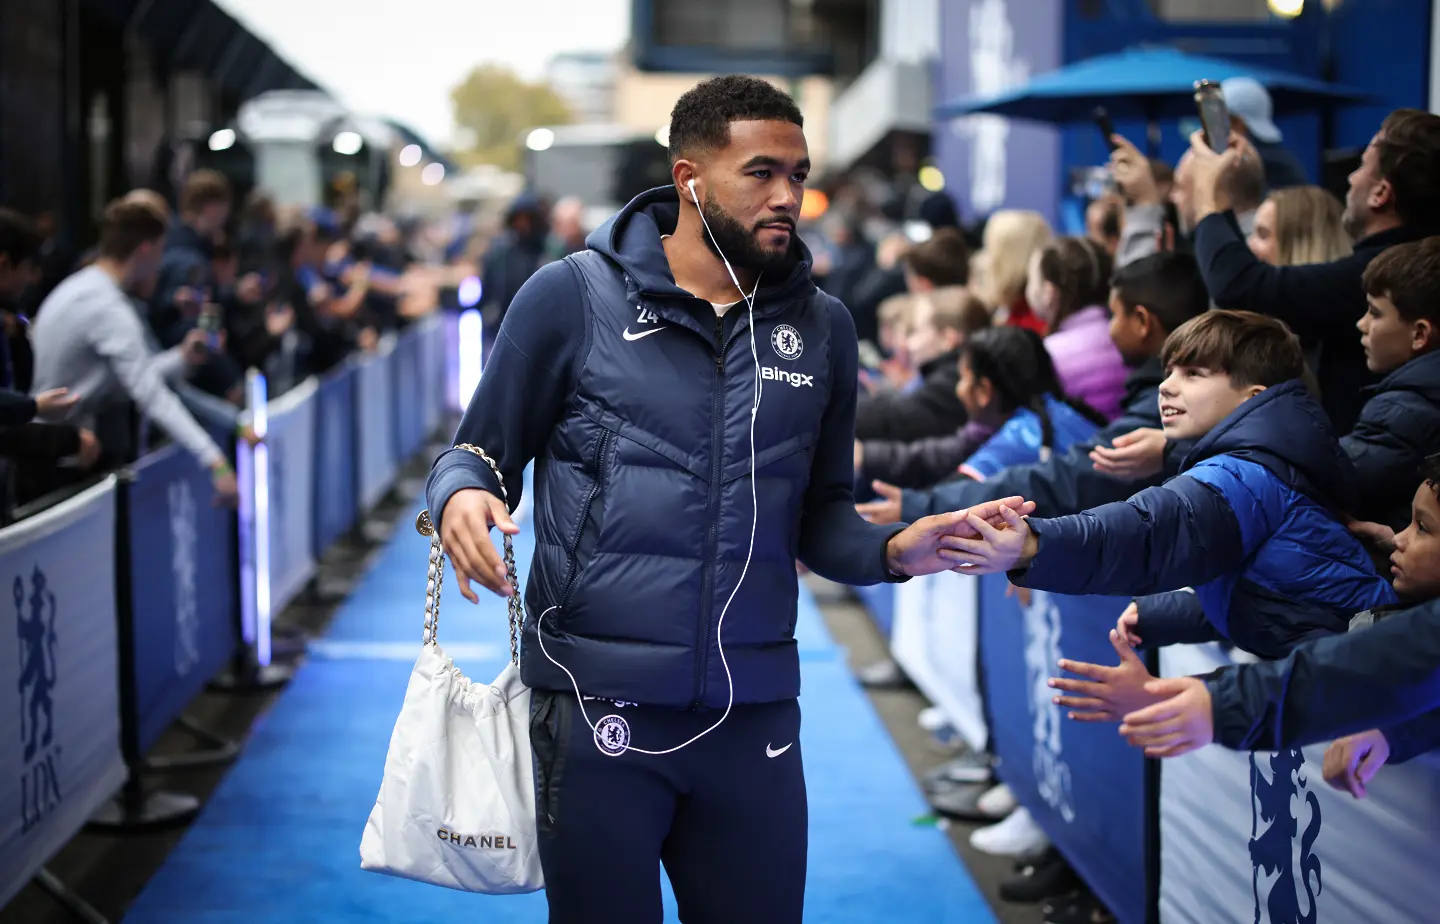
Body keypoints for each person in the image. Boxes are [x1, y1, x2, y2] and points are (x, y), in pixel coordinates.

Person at [425, 75, 1022, 924]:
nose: (789, 196)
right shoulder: (571, 296)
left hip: (754, 717)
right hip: (596, 711)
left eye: (799, 173)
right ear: (690, 179)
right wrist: (461, 496)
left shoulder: (824, 327)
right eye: (762, 173)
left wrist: (896, 552)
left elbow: (821, 514)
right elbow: (477, 449)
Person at [939, 310, 1395, 661]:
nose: (1167, 388)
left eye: (1193, 374)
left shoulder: (1245, 476)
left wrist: (1035, 545)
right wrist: (1165, 614)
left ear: (1253, 399)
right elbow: (1275, 598)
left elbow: (1147, 532)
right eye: (1170, 371)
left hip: (1363, 676)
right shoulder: (1258, 464)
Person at [1111, 461, 1440, 786]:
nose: (1398, 538)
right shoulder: (1375, 588)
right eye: (1409, 523)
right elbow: (1282, 618)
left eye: (1423, 528)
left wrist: (1389, 731)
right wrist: (1168, 622)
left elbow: (1347, 671)